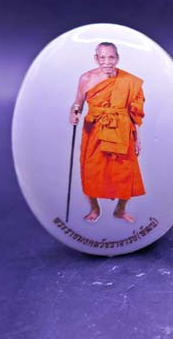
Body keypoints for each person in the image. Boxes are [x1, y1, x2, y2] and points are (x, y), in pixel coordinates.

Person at [69, 42, 145, 223]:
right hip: (94, 130)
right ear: (96, 58)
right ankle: (94, 209)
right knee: (91, 170)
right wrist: (74, 113)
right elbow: (78, 103)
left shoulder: (129, 81)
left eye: (111, 57)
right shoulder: (86, 78)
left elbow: (134, 112)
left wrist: (137, 138)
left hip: (122, 130)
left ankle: (120, 210)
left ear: (117, 58)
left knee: (125, 170)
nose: (107, 62)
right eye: (102, 57)